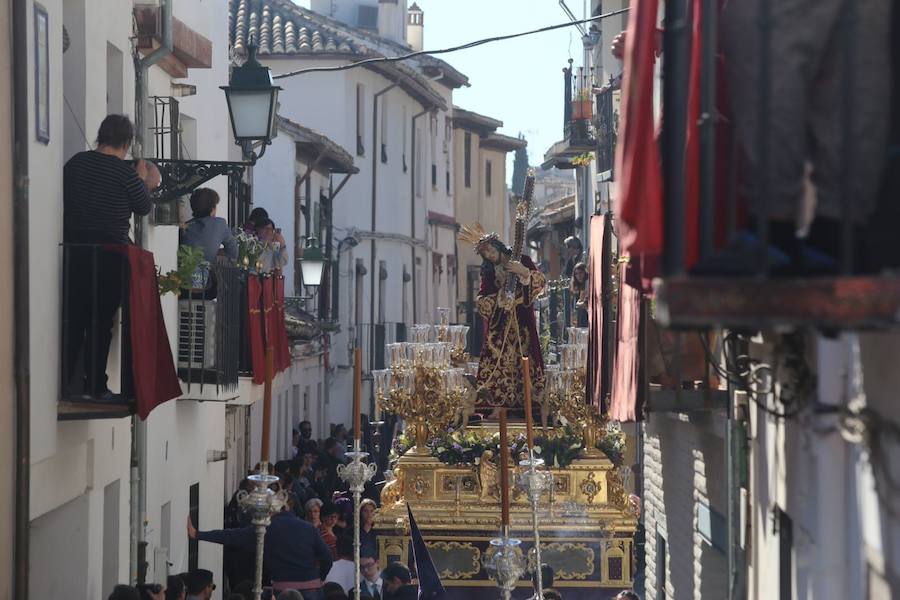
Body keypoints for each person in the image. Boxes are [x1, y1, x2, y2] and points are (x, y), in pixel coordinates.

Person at [63, 114, 160, 401]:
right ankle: (95, 385)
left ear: (100, 135)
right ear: (126, 143)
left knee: (75, 318)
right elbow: (143, 207)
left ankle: (66, 382)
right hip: (110, 254)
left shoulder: (75, 163)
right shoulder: (125, 174)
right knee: (101, 321)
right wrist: (142, 180)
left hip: (75, 249)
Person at [458, 226, 546, 410]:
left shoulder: (522, 259)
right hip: (500, 325)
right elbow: (482, 299)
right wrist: (499, 299)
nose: (489, 255)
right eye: (485, 254)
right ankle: (496, 404)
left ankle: (530, 403)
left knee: (526, 358)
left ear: (498, 246)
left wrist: (524, 272)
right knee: (498, 360)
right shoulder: (489, 272)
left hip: (522, 320)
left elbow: (540, 282)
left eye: (491, 250)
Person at [189, 508, 333, 599]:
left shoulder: (266, 528)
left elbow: (233, 536)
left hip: (282, 589)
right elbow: (327, 557)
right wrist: (319, 579)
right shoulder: (309, 528)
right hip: (312, 588)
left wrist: (198, 534)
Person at [181, 187, 238, 264]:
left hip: (183, 271)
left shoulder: (185, 227)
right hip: (208, 272)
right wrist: (215, 251)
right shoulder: (220, 224)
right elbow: (233, 252)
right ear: (212, 209)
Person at [569, 262, 588, 327]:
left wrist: (578, 304)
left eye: (581, 273)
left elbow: (581, 303)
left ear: (585, 272)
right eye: (576, 274)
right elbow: (580, 301)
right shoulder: (582, 285)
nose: (578, 276)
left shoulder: (587, 282)